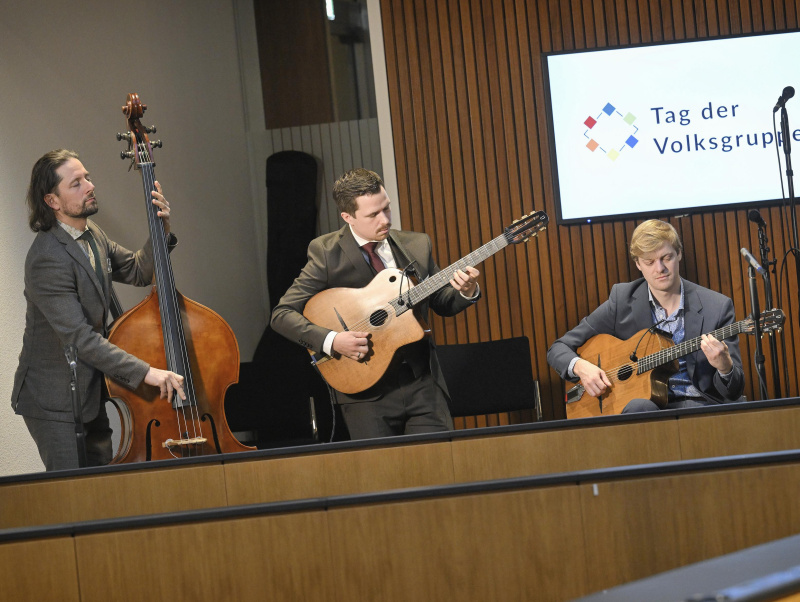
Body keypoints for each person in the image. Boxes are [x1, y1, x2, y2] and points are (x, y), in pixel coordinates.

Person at [270, 168, 481, 439]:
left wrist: (466, 291)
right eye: (373, 215)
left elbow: (441, 302)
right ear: (348, 217)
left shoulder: (416, 244)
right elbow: (282, 314)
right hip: (364, 393)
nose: (385, 220)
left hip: (422, 384)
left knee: (439, 468)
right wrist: (333, 340)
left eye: (387, 209)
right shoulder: (326, 253)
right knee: (384, 476)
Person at [11, 149, 186, 471]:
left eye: (87, 177)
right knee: (74, 496)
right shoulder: (47, 259)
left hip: (90, 392)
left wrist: (161, 228)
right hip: (55, 401)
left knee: (102, 488)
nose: (89, 186)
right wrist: (147, 372)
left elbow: (138, 270)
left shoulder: (93, 235)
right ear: (52, 201)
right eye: (76, 183)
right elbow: (79, 338)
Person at [547, 219, 744, 412]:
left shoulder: (717, 306)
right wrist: (582, 367)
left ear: (679, 254)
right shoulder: (622, 301)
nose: (660, 269)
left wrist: (725, 368)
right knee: (639, 407)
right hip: (645, 408)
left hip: (700, 404)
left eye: (667, 258)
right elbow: (559, 348)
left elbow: (734, 391)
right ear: (638, 264)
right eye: (649, 262)